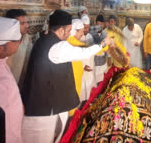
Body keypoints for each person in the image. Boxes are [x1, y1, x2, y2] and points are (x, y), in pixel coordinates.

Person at [21, 10, 111, 143]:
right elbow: (83, 53)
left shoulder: (43, 40)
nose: (70, 34)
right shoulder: (57, 46)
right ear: (62, 30)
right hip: (44, 109)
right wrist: (103, 44)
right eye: (69, 30)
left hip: (43, 103)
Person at [5, 9, 30, 88]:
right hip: (7, 85)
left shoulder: (26, 37)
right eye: (22, 23)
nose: (27, 25)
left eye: (27, 22)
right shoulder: (4, 43)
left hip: (20, 83)